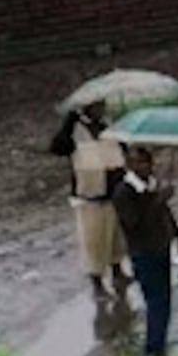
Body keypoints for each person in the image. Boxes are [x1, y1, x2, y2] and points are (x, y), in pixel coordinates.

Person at [111, 147, 178, 356]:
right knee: (155, 300)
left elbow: (165, 214)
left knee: (165, 299)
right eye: (138, 163)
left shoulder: (151, 184)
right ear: (130, 165)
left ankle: (159, 343)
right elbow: (133, 224)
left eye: (146, 162)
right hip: (143, 252)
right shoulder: (124, 192)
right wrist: (156, 201)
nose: (144, 167)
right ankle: (154, 350)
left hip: (161, 246)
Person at [57, 101, 129, 296]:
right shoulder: (75, 130)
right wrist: (69, 122)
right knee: (92, 240)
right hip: (89, 195)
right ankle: (97, 283)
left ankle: (117, 271)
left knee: (116, 236)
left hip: (114, 190)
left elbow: (123, 149)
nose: (100, 110)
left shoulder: (109, 125)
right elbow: (58, 147)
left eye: (102, 106)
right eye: (95, 107)